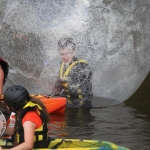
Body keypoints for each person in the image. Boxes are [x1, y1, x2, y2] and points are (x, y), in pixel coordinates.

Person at [0, 85, 51, 150]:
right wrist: (2, 127)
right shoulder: (23, 110)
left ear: (14, 106)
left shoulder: (28, 120)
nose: (7, 107)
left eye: (7, 105)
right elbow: (14, 131)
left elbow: (28, 145)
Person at [53, 37, 93, 108]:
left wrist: (61, 82)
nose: (65, 57)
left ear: (74, 52)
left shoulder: (82, 66)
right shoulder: (63, 64)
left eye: (68, 53)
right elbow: (58, 84)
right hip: (68, 103)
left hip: (82, 105)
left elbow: (75, 86)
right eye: (62, 54)